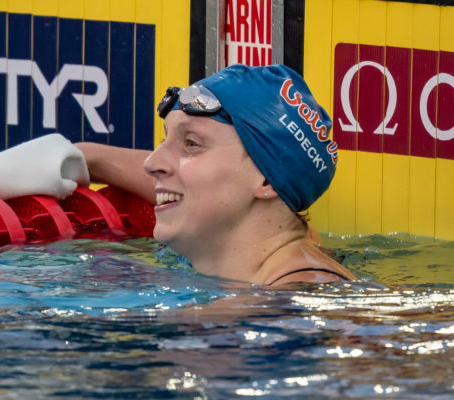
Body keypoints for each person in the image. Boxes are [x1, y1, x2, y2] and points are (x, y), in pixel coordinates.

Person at [76, 64, 355, 286]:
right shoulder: (293, 240)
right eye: (165, 140)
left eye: (191, 144)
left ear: (266, 180)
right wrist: (80, 158)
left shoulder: (293, 306)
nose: (151, 163)